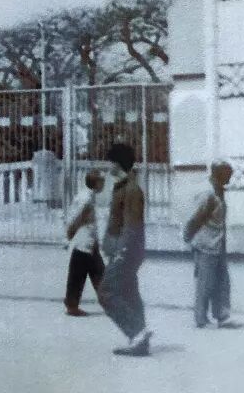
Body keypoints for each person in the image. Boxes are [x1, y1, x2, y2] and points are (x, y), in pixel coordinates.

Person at [97, 143, 152, 357]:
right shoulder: (123, 186)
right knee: (129, 292)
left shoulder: (131, 190)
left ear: (117, 163)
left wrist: (122, 251)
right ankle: (140, 340)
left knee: (106, 292)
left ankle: (137, 332)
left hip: (126, 251)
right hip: (123, 250)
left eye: (110, 161)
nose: (107, 165)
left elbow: (132, 226)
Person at [183, 159, 235, 329]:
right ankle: (201, 318)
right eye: (227, 175)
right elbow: (195, 218)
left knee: (222, 281)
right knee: (205, 283)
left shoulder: (219, 191)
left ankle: (221, 315)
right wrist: (187, 237)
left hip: (218, 244)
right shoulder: (208, 194)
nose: (230, 179)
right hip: (205, 245)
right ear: (219, 174)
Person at [63, 170, 105, 317]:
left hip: (86, 242)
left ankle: (72, 304)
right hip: (85, 242)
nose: (103, 184)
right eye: (102, 181)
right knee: (91, 273)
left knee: (90, 273)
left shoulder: (85, 195)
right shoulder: (87, 199)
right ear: (96, 183)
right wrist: (70, 232)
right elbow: (78, 217)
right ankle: (72, 305)